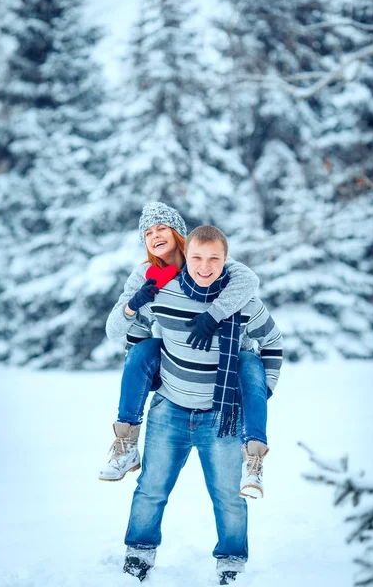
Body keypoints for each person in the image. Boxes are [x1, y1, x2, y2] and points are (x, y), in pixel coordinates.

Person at [105, 224, 283, 584]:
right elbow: (135, 340)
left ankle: (231, 563)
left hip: (221, 416)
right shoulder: (164, 292)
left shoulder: (242, 300)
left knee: (228, 496)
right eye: (198, 258)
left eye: (214, 259)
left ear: (225, 260)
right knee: (151, 488)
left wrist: (261, 393)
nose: (205, 266)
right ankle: (138, 555)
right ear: (186, 256)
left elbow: (273, 343)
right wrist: (150, 373)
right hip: (169, 409)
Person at [100, 202, 276, 499]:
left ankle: (254, 460)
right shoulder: (146, 275)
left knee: (249, 367)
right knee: (141, 353)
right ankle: (126, 446)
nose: (155, 235)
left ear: (178, 232)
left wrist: (213, 314)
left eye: (162, 228)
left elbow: (249, 279)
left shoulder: (203, 259)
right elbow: (114, 330)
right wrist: (134, 304)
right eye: (148, 233)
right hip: (178, 368)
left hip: (227, 365)